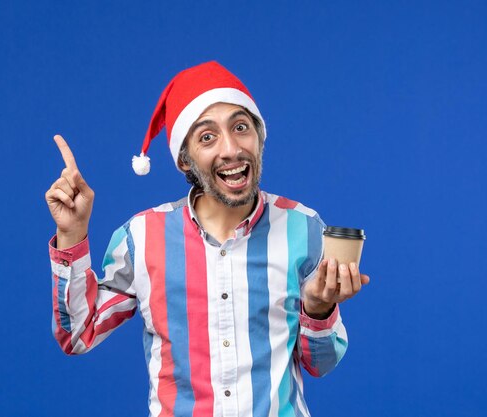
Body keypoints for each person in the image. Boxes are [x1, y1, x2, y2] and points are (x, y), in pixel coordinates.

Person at [45, 61, 369, 417]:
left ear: (259, 138)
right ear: (185, 161)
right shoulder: (141, 236)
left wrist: (318, 307)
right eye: (207, 137)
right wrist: (72, 233)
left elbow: (321, 364)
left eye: (241, 127)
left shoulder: (303, 228)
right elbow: (78, 334)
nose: (231, 149)